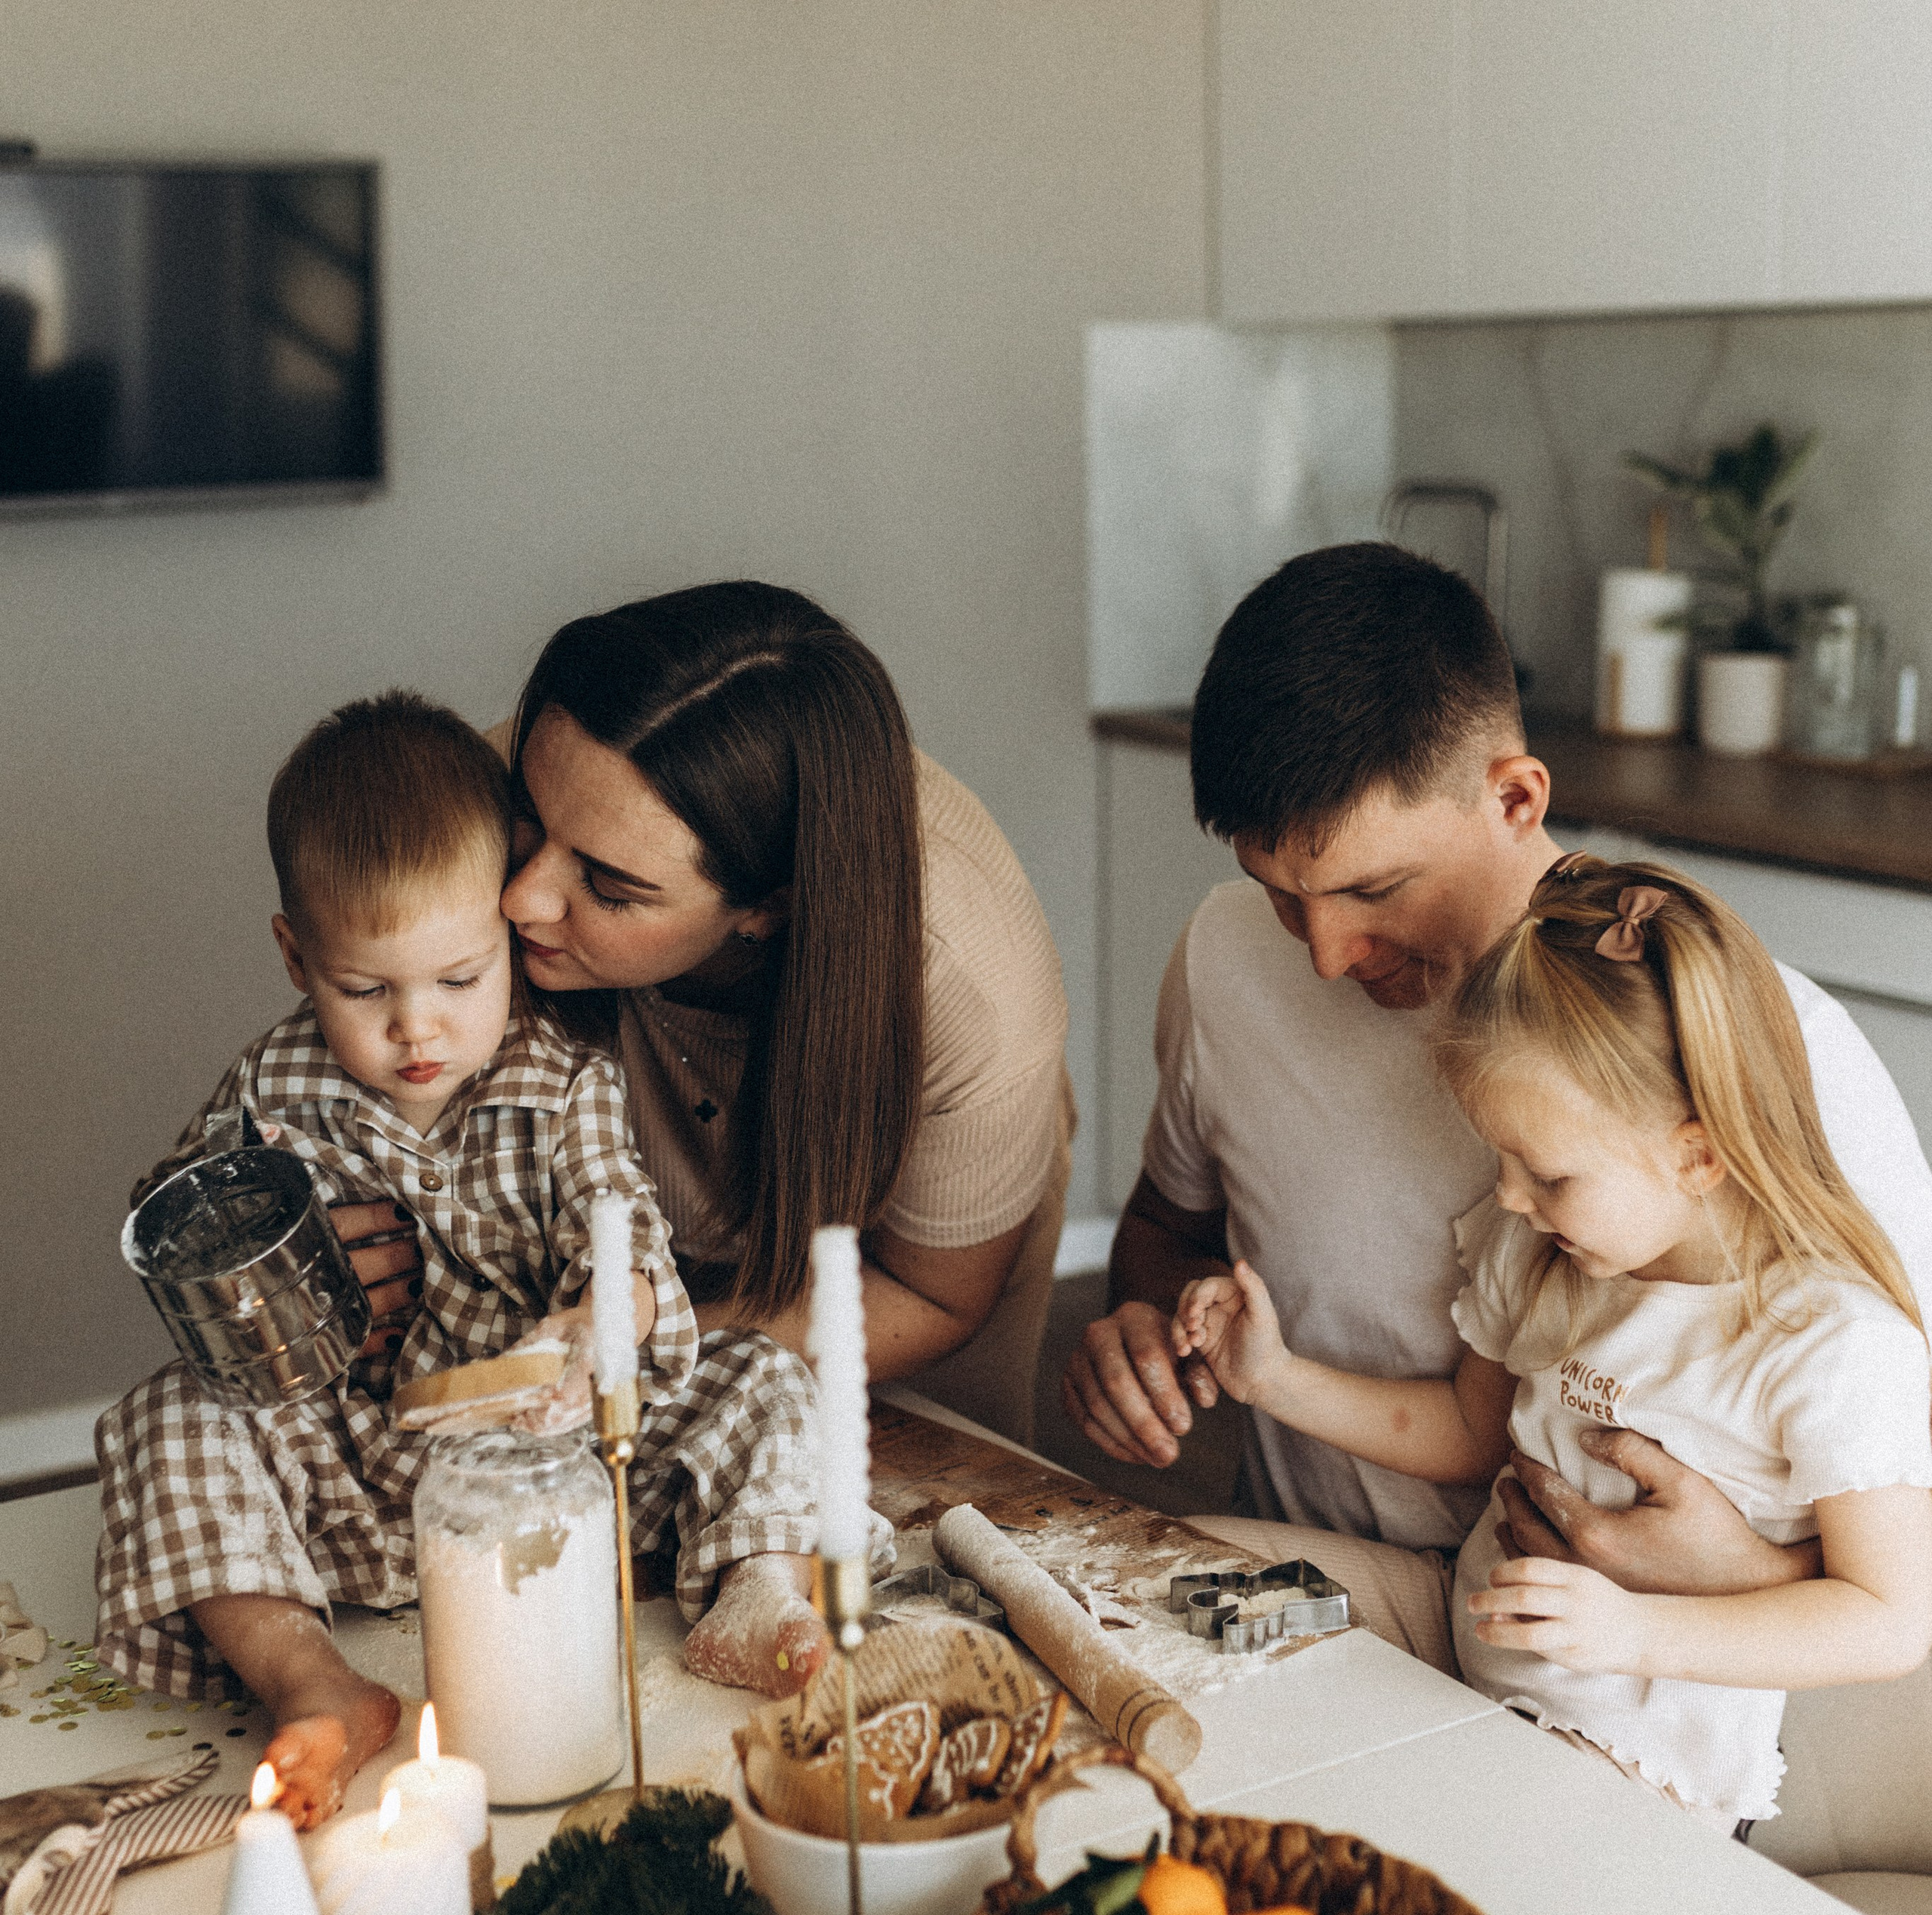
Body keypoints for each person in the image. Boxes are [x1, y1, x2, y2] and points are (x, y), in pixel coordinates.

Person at [1062, 543, 1932, 1667]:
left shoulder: (1762, 1051)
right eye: (1284, 897)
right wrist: (1148, 1332)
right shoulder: (1225, 958)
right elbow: (1167, 1233)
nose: (1325, 956)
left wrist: (1747, 1579)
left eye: (1375, 891)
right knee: (1076, 1630)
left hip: (1640, 1678)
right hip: (1334, 1583)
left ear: (1516, 795)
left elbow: (1896, 1521)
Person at [95, 693, 826, 1826]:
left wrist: (600, 1317)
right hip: (350, 1468)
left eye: (458, 979)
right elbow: (176, 1225)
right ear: (298, 956)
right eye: (365, 990)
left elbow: (616, 1214)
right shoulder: (274, 1089)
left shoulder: (560, 1078)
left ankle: (759, 1586)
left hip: (551, 1462)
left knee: (766, 1376)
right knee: (166, 1419)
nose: (417, 1030)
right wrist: (264, 1267)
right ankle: (314, 1682)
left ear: (509, 937)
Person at [1175, 858, 1932, 1829]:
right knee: (1177, 1582)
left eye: (1546, 1172)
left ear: (1696, 1154)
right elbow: (1464, 1432)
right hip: (1453, 1635)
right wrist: (1273, 1378)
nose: (1508, 1195)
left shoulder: (1830, 1343)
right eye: (1500, 1157)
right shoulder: (1545, 1252)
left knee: (1440, 1834)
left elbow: (1887, 1621)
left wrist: (1632, 1627)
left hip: (1627, 1753)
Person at [494, 580, 1073, 1692]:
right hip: (615, 1265)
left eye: (606, 885)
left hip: (894, 1284)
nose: (520, 897)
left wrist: (660, 1344)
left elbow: (935, 1297)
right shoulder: (548, 789)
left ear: (769, 906)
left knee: (898, 1577)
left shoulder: (972, 987)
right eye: (530, 819)